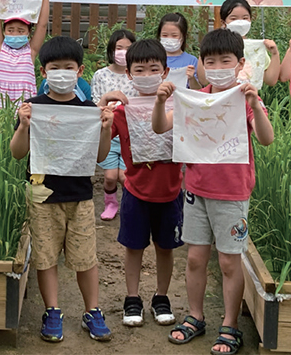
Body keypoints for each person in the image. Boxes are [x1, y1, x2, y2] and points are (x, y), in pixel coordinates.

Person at [153, 29, 274, 355]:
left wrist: (255, 105)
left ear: (240, 63)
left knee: (229, 263)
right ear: (202, 65)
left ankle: (230, 325)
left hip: (233, 192)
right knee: (194, 258)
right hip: (195, 189)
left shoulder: (245, 96)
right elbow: (161, 127)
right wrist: (161, 100)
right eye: (211, 61)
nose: (218, 66)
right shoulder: (195, 97)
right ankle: (195, 316)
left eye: (226, 60)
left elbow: (266, 139)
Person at [10, 36, 114, 343]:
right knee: (45, 258)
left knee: (86, 259)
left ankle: (92, 311)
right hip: (42, 197)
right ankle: (52, 310)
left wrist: (106, 129)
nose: (62, 73)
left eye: (68, 67)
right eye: (55, 68)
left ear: (80, 70)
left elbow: (98, 156)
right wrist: (23, 126)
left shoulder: (88, 110)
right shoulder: (32, 108)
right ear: (44, 72)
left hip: (80, 197)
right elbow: (17, 153)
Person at [97, 39, 184, 327]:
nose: (147, 75)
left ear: (166, 72)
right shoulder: (121, 111)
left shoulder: (180, 107)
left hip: (171, 191)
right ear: (129, 74)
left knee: (165, 247)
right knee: (133, 247)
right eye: (140, 69)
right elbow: (98, 151)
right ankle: (132, 298)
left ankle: (161, 297)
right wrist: (102, 114)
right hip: (135, 191)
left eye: (153, 69)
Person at [89, 29, 136, 221]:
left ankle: (128, 204)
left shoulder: (136, 74)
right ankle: (110, 203)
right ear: (111, 49)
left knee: (125, 177)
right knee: (109, 176)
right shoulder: (100, 75)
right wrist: (106, 100)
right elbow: (94, 104)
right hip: (107, 133)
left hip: (129, 133)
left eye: (128, 48)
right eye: (119, 47)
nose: (123, 52)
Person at [0, 0, 51, 106]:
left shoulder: (31, 50)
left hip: (23, 104)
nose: (15, 33)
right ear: (4, 31)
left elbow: (42, 25)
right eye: (10, 30)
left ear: (29, 32)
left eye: (21, 31)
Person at [197, 0, 280, 89]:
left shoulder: (256, 49)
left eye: (245, 18)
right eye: (233, 18)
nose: (240, 22)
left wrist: (275, 54)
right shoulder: (215, 45)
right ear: (223, 22)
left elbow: (270, 80)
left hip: (247, 99)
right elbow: (203, 80)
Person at [157, 13, 201, 89]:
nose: (169, 39)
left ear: (183, 36)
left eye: (174, 35)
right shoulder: (154, 59)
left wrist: (191, 78)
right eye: (165, 35)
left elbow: (198, 90)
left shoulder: (191, 61)